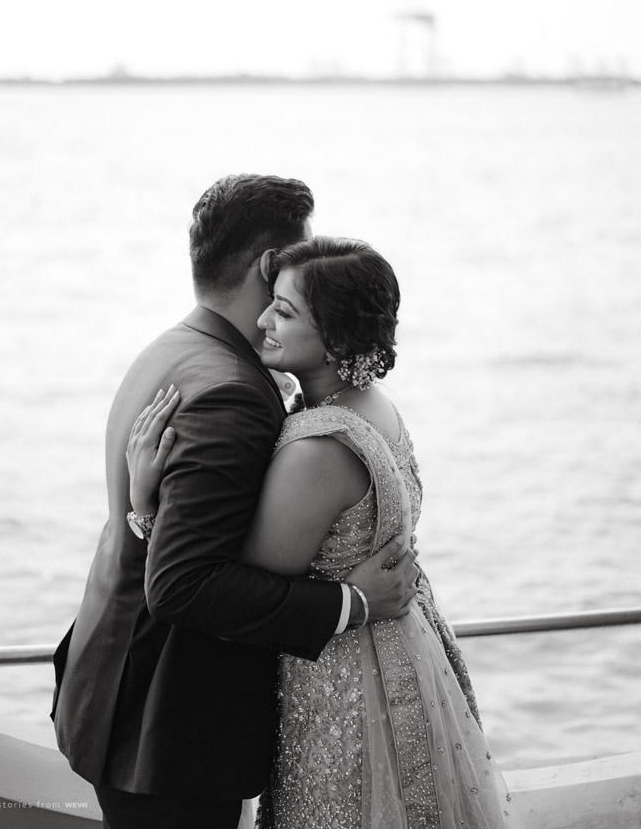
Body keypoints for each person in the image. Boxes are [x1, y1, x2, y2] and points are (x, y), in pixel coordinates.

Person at [51, 175, 418, 829]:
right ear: (266, 267)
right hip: (167, 726)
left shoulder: (175, 347)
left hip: (116, 687)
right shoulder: (232, 393)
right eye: (299, 259)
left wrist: (145, 506)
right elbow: (184, 584)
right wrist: (352, 602)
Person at [129, 236, 525, 829]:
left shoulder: (317, 449)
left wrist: (147, 504)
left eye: (284, 311)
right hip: (406, 651)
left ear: (337, 338)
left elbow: (240, 580)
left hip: (343, 681)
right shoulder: (376, 406)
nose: (262, 318)